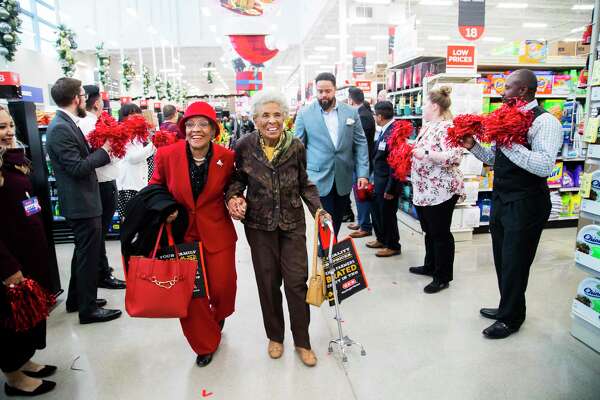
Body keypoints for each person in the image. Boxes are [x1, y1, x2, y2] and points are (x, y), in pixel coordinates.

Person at [226, 91, 331, 367]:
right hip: (259, 225)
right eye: (265, 115)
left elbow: (304, 182)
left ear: (285, 117)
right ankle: (275, 336)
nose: (271, 120)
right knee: (268, 282)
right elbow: (236, 180)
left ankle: (302, 341)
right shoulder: (244, 146)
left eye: (277, 115)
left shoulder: (296, 146)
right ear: (255, 119)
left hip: (292, 223)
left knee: (297, 283)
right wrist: (234, 197)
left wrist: (318, 209)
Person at [459, 69, 562, 339]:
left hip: (527, 203)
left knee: (516, 262)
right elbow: (496, 158)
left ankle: (511, 319)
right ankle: (509, 305)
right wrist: (473, 146)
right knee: (503, 260)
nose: (502, 93)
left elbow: (543, 165)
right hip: (503, 199)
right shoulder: (506, 118)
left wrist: (508, 143)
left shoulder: (545, 122)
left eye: (507, 88)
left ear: (523, 91)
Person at [149, 101, 238, 367]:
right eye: (190, 125)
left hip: (218, 231)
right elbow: (154, 187)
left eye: (202, 125)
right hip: (181, 235)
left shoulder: (227, 157)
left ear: (213, 130)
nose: (195, 130)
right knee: (192, 293)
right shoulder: (166, 155)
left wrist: (236, 198)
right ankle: (205, 343)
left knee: (223, 287)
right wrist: (166, 208)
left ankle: (218, 316)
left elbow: (234, 184)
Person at [46, 77, 121, 324]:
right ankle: (88, 309)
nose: (85, 100)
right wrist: (105, 151)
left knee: (83, 253)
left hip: (84, 201)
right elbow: (77, 168)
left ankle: (77, 299)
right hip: (81, 203)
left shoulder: (67, 123)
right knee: (87, 256)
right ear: (76, 98)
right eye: (82, 94)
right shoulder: (60, 128)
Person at [0, 107, 57, 397]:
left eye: (10, 125)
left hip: (30, 251)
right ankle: (14, 377)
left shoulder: (13, 162)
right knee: (11, 320)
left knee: (30, 314)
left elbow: (26, 202)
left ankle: (25, 361)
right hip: (9, 260)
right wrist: (7, 267)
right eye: (1, 128)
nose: (9, 132)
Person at [295, 72, 369, 238]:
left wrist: (363, 173)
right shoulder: (305, 114)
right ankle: (327, 253)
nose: (323, 95)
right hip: (318, 176)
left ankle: (329, 250)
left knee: (336, 218)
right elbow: (297, 147)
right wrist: (299, 177)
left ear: (335, 89)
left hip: (343, 175)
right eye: (320, 91)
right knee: (324, 220)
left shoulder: (350, 112)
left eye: (327, 91)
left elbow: (361, 143)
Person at [408, 86, 465, 293]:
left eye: (424, 103)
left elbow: (455, 157)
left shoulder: (448, 127)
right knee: (429, 231)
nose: (421, 107)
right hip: (425, 189)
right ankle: (430, 265)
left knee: (440, 234)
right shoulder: (428, 126)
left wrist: (426, 153)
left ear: (434, 106)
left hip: (441, 190)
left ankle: (442, 276)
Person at [79, 84, 126, 290]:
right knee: (99, 234)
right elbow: (108, 156)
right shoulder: (94, 125)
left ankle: (102, 270)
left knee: (98, 234)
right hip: (103, 183)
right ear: (97, 102)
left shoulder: (80, 123)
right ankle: (103, 273)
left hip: (95, 183)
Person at [367, 101, 401, 257]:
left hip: (387, 182)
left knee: (387, 214)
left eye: (375, 114)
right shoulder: (384, 130)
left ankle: (393, 244)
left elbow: (397, 163)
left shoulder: (395, 132)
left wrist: (391, 188)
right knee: (378, 211)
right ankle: (381, 238)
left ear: (379, 116)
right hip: (379, 180)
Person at [116, 103, 156, 220]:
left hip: (144, 184)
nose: (137, 116)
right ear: (124, 117)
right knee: (131, 220)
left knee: (142, 219)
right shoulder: (122, 135)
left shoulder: (140, 134)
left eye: (138, 113)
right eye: (132, 114)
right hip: (130, 185)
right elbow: (132, 158)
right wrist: (153, 145)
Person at [347, 86, 376, 239]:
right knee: (358, 194)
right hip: (358, 161)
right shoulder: (362, 113)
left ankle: (365, 226)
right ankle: (361, 221)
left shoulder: (363, 116)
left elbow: (360, 142)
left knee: (361, 193)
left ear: (351, 99)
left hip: (361, 163)